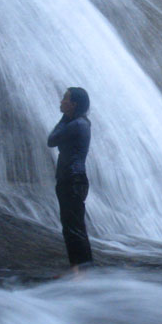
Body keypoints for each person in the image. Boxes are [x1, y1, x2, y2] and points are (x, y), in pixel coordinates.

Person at [47, 87, 93, 270]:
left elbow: (51, 140)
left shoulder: (76, 124)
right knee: (72, 226)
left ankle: (82, 271)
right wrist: (67, 117)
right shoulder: (80, 122)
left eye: (65, 99)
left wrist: (64, 118)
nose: (61, 101)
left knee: (74, 228)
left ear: (73, 104)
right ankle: (80, 269)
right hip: (72, 179)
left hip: (72, 180)